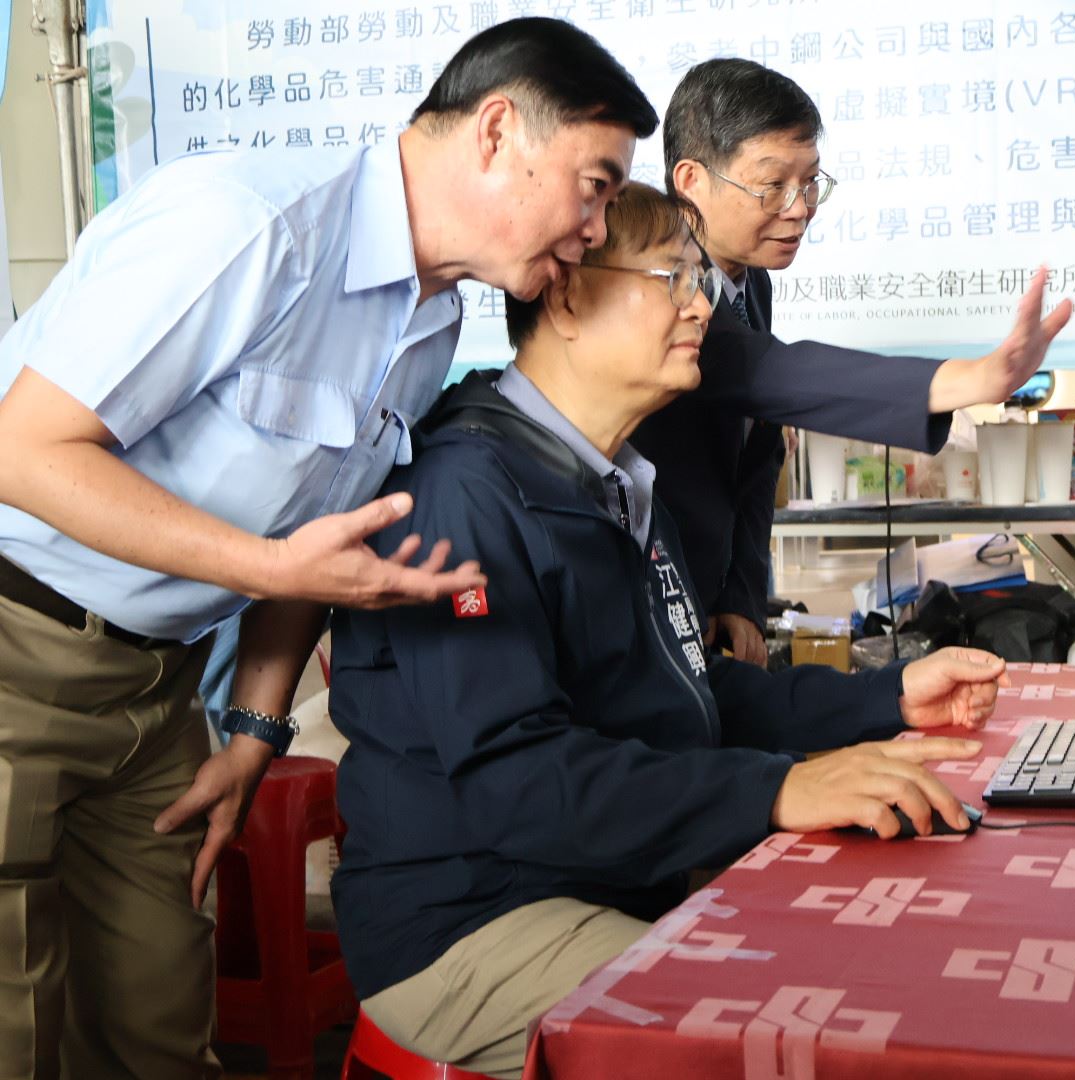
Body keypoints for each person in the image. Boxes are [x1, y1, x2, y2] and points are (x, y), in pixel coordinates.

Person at [0, 19, 656, 1080]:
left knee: (159, 1022)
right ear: (497, 130)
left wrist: (255, 729)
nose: (594, 232)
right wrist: (269, 569)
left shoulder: (431, 325)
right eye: (594, 188)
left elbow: (314, 539)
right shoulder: (250, 228)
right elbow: (22, 451)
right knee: (20, 1026)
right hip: (17, 647)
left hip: (155, 688)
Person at [327, 184, 1008, 1078]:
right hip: (474, 918)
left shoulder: (616, 480)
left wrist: (888, 700)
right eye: (672, 278)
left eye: (701, 282)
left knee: (886, 960)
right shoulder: (464, 494)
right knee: (791, 1027)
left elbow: (692, 685)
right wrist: (777, 789)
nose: (701, 307)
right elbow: (519, 780)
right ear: (566, 298)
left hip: (608, 881)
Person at [630, 59, 1074, 665]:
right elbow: (760, 371)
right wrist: (974, 378)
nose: (799, 208)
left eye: (811, 182)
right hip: (644, 597)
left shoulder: (751, 282)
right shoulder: (652, 280)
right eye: (772, 185)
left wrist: (740, 596)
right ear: (691, 180)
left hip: (709, 603)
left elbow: (758, 458)